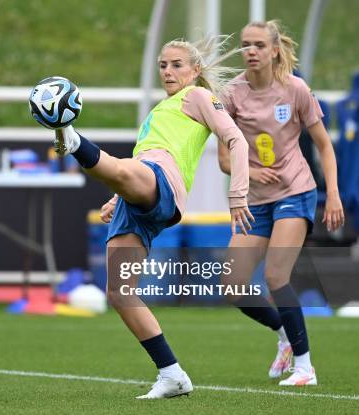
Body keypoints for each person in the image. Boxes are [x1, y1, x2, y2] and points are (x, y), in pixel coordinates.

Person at [50, 36, 252, 399]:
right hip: (137, 195)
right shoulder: (159, 110)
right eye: (163, 65)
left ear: (195, 70)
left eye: (177, 64)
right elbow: (136, 164)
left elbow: (237, 140)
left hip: (163, 185)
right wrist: (116, 197)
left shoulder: (199, 97)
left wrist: (237, 193)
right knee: (120, 292)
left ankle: (71, 137)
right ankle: (172, 374)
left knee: (124, 170)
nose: (169, 71)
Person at [218, 20, 344, 386]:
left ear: (275, 50)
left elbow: (324, 144)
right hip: (255, 201)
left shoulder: (295, 89)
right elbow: (224, 159)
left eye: (258, 44)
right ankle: (285, 334)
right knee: (233, 283)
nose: (250, 51)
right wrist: (252, 174)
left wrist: (331, 193)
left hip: (295, 193)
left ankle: (305, 368)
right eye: (245, 45)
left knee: (276, 276)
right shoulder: (231, 94)